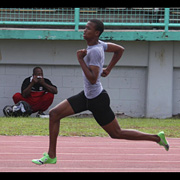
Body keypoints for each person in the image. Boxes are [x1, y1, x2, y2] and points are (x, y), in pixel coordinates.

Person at [32, 19, 169, 165]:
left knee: (116, 133)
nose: (84, 30)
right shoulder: (100, 44)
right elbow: (120, 49)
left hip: (97, 100)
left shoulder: (95, 51)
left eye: (88, 28)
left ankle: (157, 138)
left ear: (96, 33)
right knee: (54, 114)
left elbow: (92, 79)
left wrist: (80, 60)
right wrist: (108, 69)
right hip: (86, 96)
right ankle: (52, 156)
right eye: (85, 27)